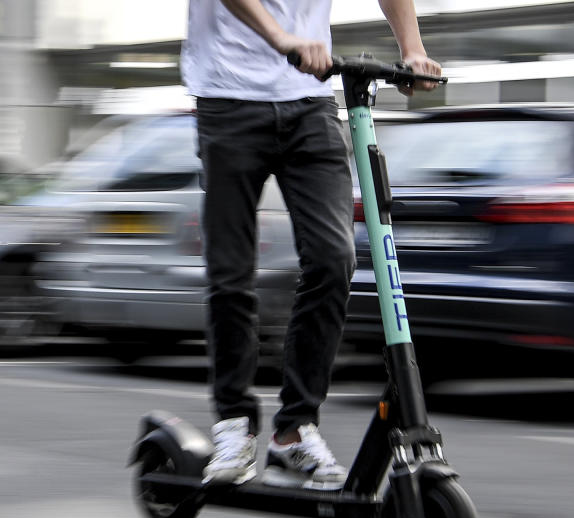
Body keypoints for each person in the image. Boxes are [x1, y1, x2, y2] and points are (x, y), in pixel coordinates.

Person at [181, 0, 442, 488]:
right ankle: (234, 425)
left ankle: (294, 431)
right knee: (232, 273)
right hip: (228, 99)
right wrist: (282, 38)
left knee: (333, 259)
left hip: (310, 103)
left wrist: (412, 48)